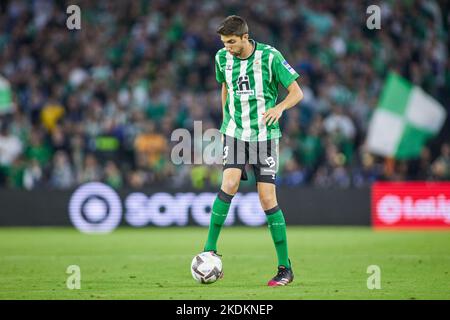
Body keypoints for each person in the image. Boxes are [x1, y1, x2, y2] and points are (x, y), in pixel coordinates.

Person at [202, 15, 304, 286]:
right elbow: (225, 86)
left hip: (265, 137)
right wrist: (226, 120)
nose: (227, 47)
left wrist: (279, 107)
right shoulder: (221, 58)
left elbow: (297, 92)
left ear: (245, 37)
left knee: (267, 199)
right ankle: (208, 249)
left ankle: (285, 267)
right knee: (229, 182)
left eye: (232, 42)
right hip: (236, 133)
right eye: (224, 42)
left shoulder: (270, 56)